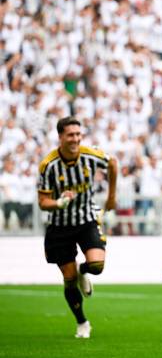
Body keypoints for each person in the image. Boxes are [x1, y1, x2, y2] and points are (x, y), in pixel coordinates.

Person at [37, 117, 117, 338]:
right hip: (59, 226)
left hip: (86, 219)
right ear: (60, 137)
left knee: (98, 265)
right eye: (70, 135)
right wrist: (59, 202)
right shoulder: (48, 165)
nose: (75, 139)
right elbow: (43, 202)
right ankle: (82, 322)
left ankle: (85, 271)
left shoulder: (90, 155)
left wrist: (111, 197)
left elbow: (113, 163)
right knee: (69, 279)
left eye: (78, 134)